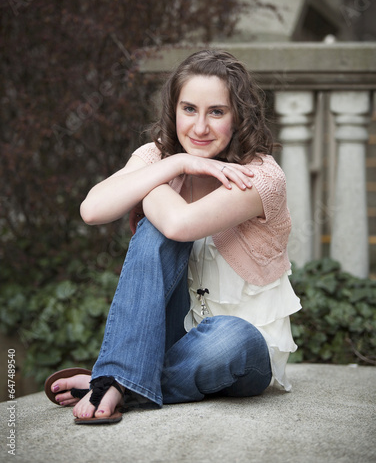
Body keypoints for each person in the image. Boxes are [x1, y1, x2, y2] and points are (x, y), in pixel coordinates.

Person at [44, 49, 301, 424]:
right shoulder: (159, 156)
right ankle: (123, 379)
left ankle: (117, 381)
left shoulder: (259, 177)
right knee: (155, 232)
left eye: (217, 112)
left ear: (239, 116)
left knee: (232, 336)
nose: (199, 128)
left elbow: (181, 223)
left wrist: (147, 186)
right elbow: (92, 209)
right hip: (168, 339)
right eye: (189, 109)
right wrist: (177, 164)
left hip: (240, 352)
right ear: (173, 110)